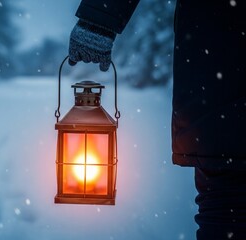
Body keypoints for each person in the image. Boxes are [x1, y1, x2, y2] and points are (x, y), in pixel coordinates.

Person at [68, 0, 246, 239]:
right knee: (226, 203)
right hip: (222, 80)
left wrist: (99, 19)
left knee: (227, 208)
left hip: (221, 76)